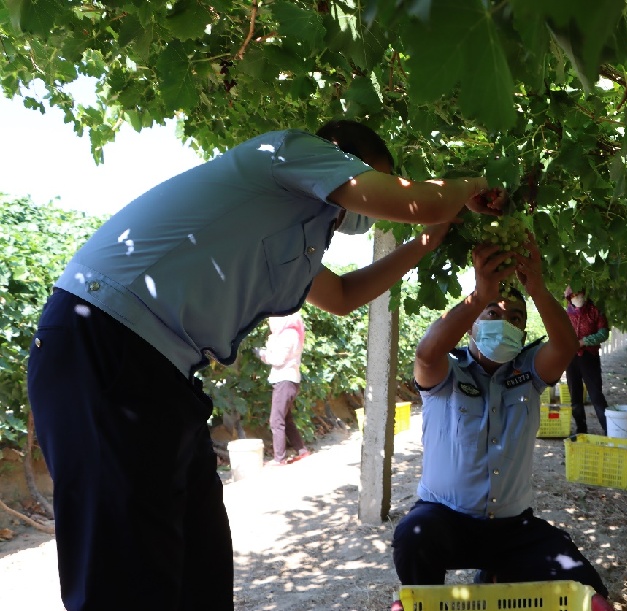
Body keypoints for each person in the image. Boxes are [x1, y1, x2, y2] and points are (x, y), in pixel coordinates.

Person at [26, 119, 507, 611]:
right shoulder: (287, 150)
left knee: (201, 568)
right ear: (338, 158)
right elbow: (418, 202)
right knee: (124, 581)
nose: (356, 216)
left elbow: (341, 296)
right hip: (103, 340)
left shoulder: (293, 233)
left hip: (162, 374)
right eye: (368, 187)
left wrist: (427, 241)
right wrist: (472, 187)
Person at [391, 238, 613, 611]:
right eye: (492, 314)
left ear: (524, 333)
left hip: (512, 528)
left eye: (515, 318)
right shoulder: (446, 373)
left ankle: (494, 573)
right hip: (446, 519)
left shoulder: (529, 373)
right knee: (414, 536)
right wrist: (479, 295)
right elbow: (426, 351)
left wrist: (538, 288)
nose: (504, 323)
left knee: (589, 592)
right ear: (471, 327)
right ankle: (424, 603)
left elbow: (565, 345)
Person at [256, 311, 311, 466]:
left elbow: (278, 359)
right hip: (289, 380)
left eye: (273, 320)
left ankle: (279, 458)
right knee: (286, 419)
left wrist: (263, 355)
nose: (270, 323)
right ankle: (302, 451)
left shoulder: (288, 335)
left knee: (276, 420)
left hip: (284, 381)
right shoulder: (290, 333)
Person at [563, 287, 610, 435]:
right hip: (571, 357)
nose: (578, 297)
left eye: (580, 294)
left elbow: (603, 333)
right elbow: (559, 332)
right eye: (575, 295)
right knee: (575, 395)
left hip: (589, 356)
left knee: (596, 394)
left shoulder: (594, 311)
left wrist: (584, 342)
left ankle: (608, 428)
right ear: (569, 297)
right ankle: (580, 429)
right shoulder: (565, 314)